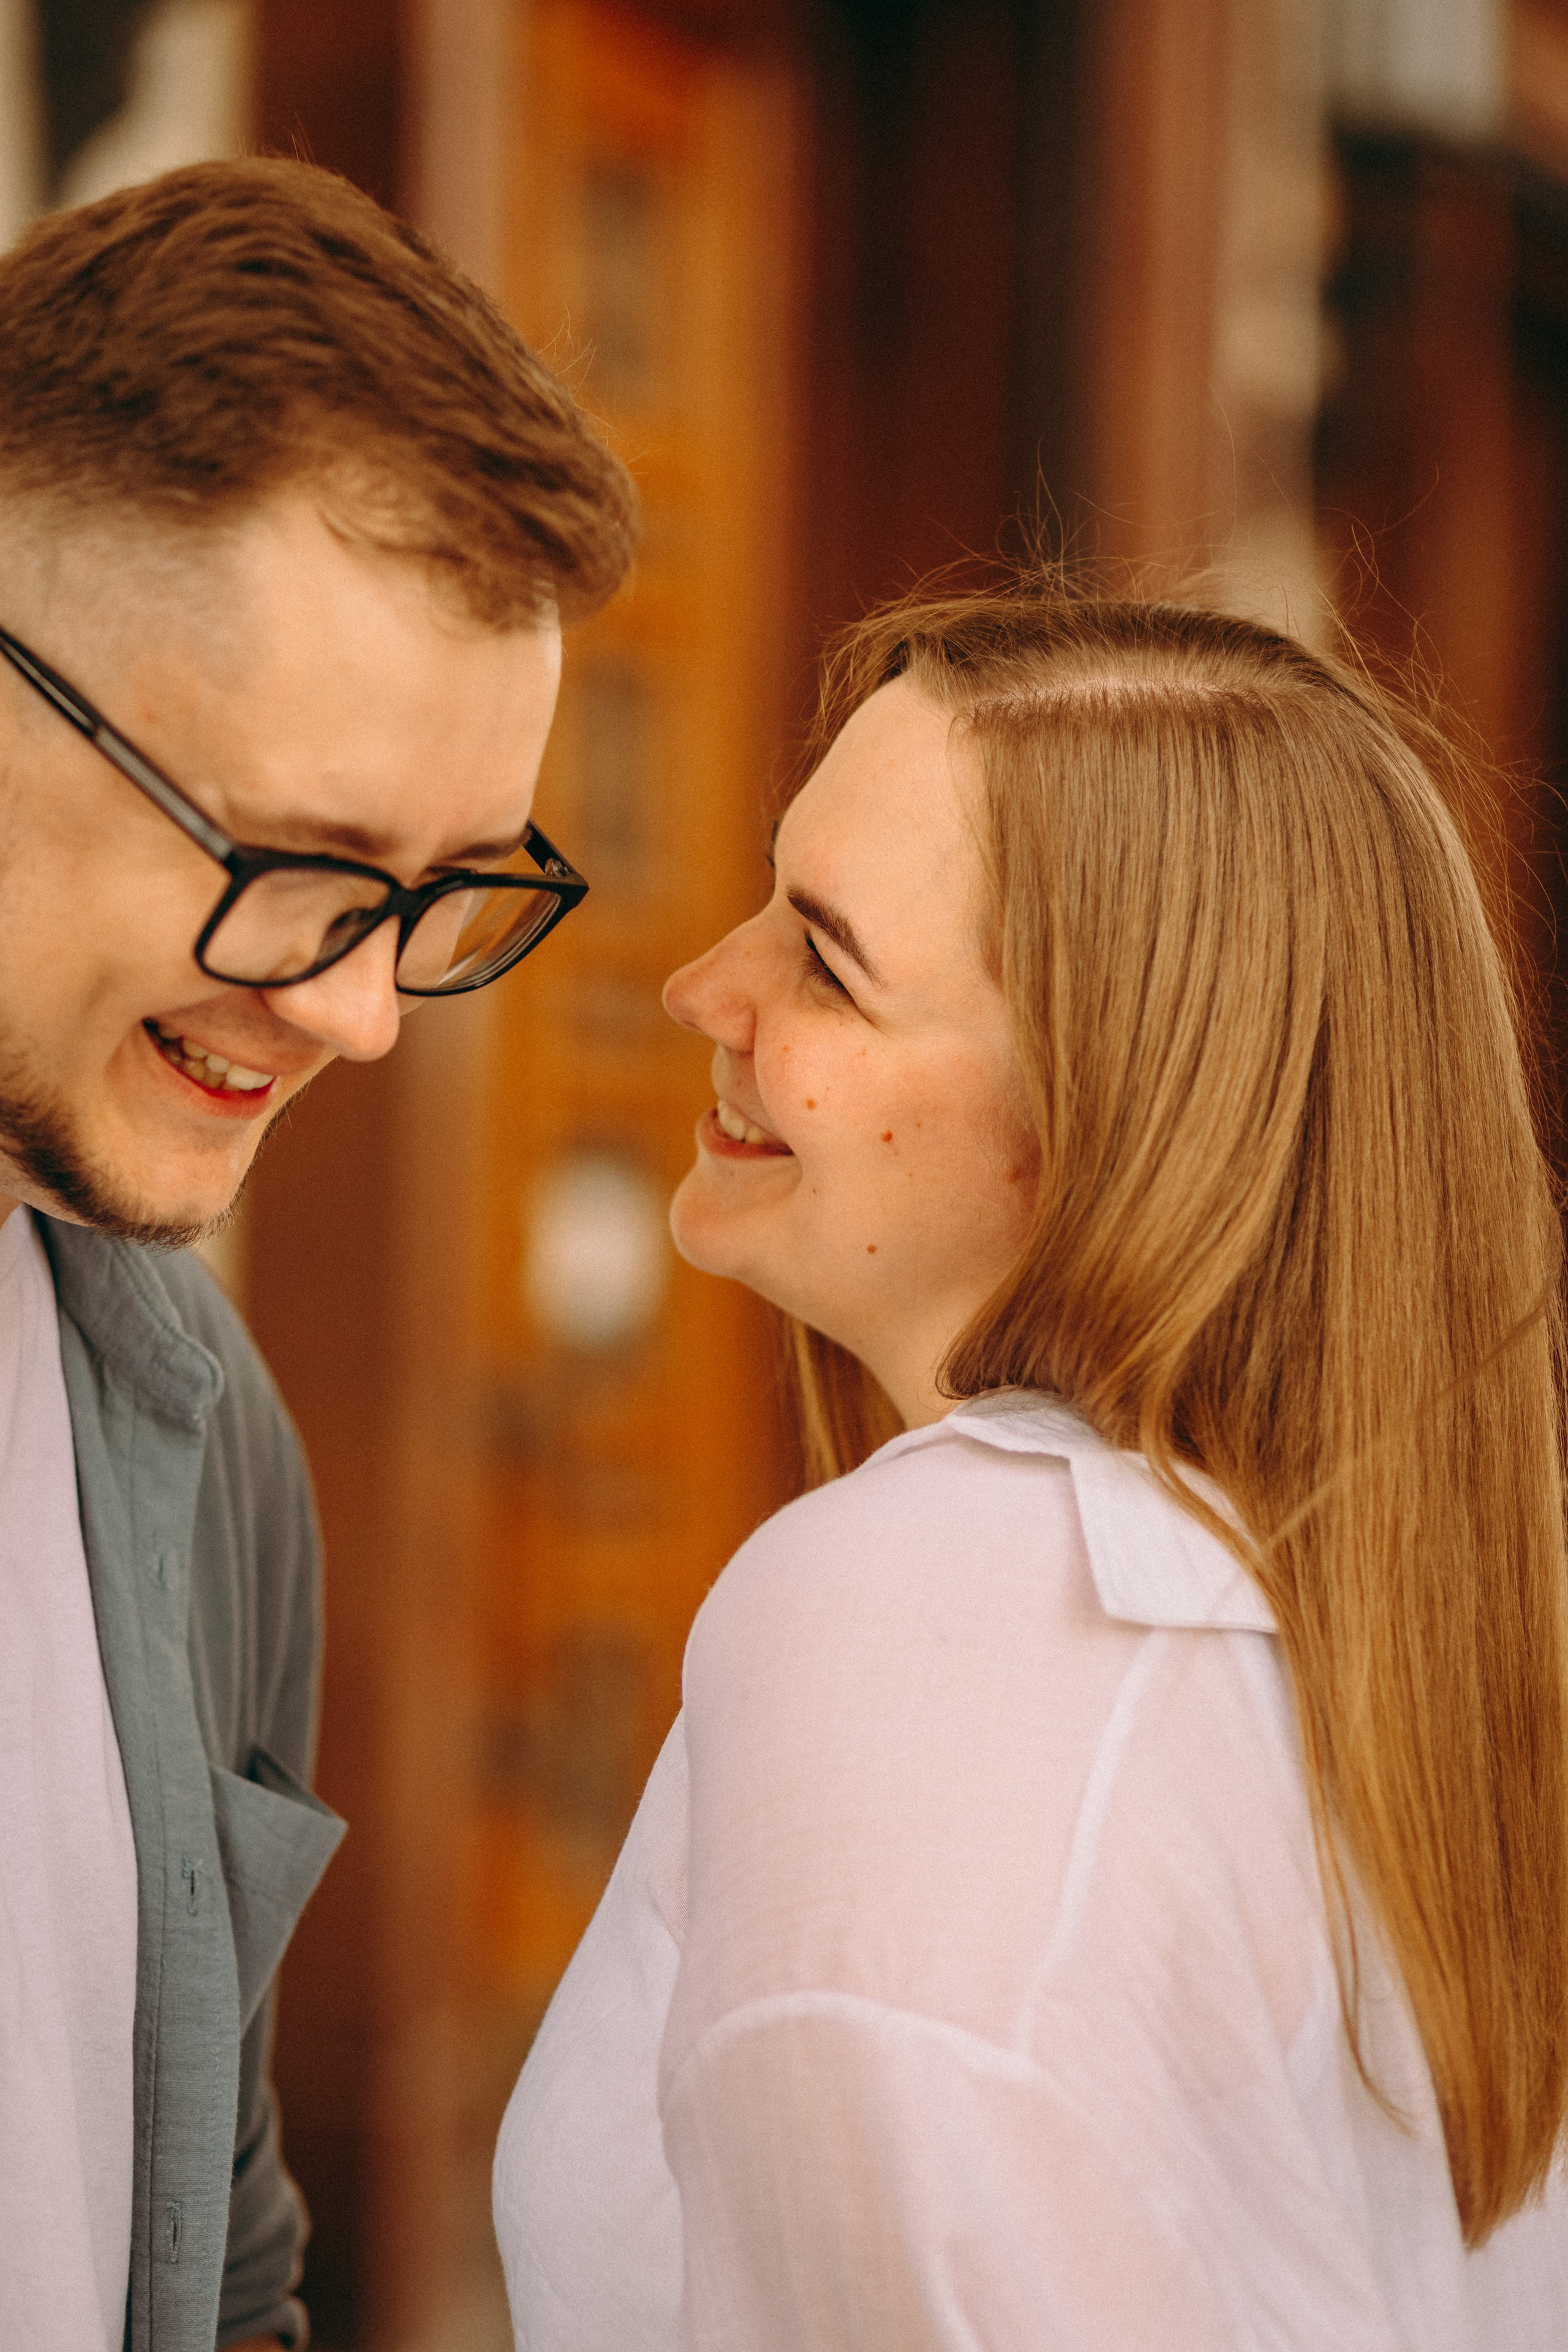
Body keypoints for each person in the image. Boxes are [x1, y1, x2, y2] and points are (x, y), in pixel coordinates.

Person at [495, 584, 1568, 2348]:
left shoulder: (942, 1632)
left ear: (1120, 1124)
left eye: (826, 962)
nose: (701, 985)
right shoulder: (1368, 1639)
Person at [0, 159, 633, 2352]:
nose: (363, 1010)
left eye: (451, 890)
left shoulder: (199, 1435)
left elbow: (230, 2258)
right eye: (305, 865)